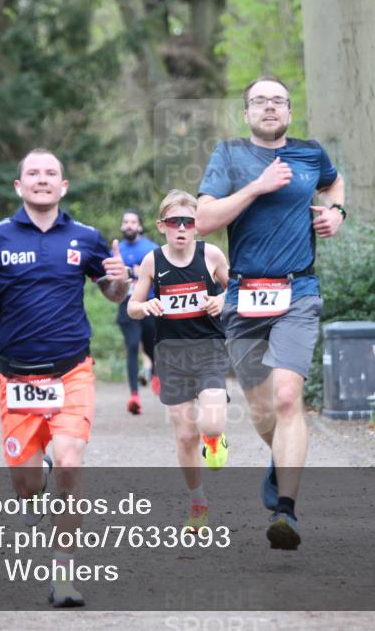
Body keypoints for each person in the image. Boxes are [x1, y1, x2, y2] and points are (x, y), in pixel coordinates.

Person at [0, 148, 129, 607]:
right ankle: (36, 478)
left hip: (72, 370)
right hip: (17, 378)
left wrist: (120, 282)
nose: (43, 179)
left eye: (51, 173)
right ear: (19, 185)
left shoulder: (87, 237)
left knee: (71, 460)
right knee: (26, 488)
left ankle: (64, 576)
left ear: (63, 186)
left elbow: (110, 293)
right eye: (34, 173)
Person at [195, 76, 346, 550]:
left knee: (286, 398)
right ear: (246, 113)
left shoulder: (309, 153)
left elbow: (334, 182)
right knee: (262, 410)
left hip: (297, 291)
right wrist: (257, 187)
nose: (269, 107)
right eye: (259, 101)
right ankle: (282, 462)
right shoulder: (229, 155)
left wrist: (336, 212)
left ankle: (287, 511)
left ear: (288, 112)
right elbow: (203, 220)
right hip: (243, 295)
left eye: (278, 101)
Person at [127, 190, 230, 533]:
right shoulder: (153, 262)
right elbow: (132, 305)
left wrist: (223, 301)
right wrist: (146, 307)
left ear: (198, 226)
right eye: (175, 222)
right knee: (186, 435)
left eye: (189, 221)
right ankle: (197, 502)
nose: (182, 228)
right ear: (162, 226)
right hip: (170, 354)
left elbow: (238, 289)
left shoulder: (211, 255)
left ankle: (215, 441)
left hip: (209, 349)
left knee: (211, 424)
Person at [117, 209, 159, 414]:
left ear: (140, 226)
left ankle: (157, 373)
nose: (129, 225)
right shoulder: (116, 252)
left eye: (133, 222)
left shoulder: (152, 249)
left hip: (150, 305)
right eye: (125, 222)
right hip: (126, 306)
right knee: (132, 346)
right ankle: (134, 395)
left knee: (152, 347)